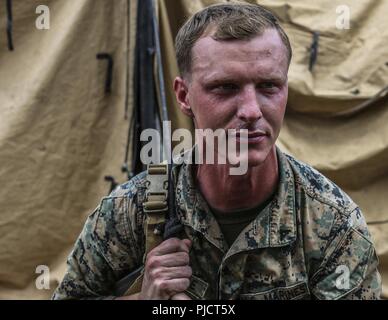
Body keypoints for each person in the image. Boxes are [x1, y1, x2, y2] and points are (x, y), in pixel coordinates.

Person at [53, 2, 381, 300]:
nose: (252, 110)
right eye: (225, 87)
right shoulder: (129, 213)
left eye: (268, 86)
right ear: (183, 96)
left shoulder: (333, 225)